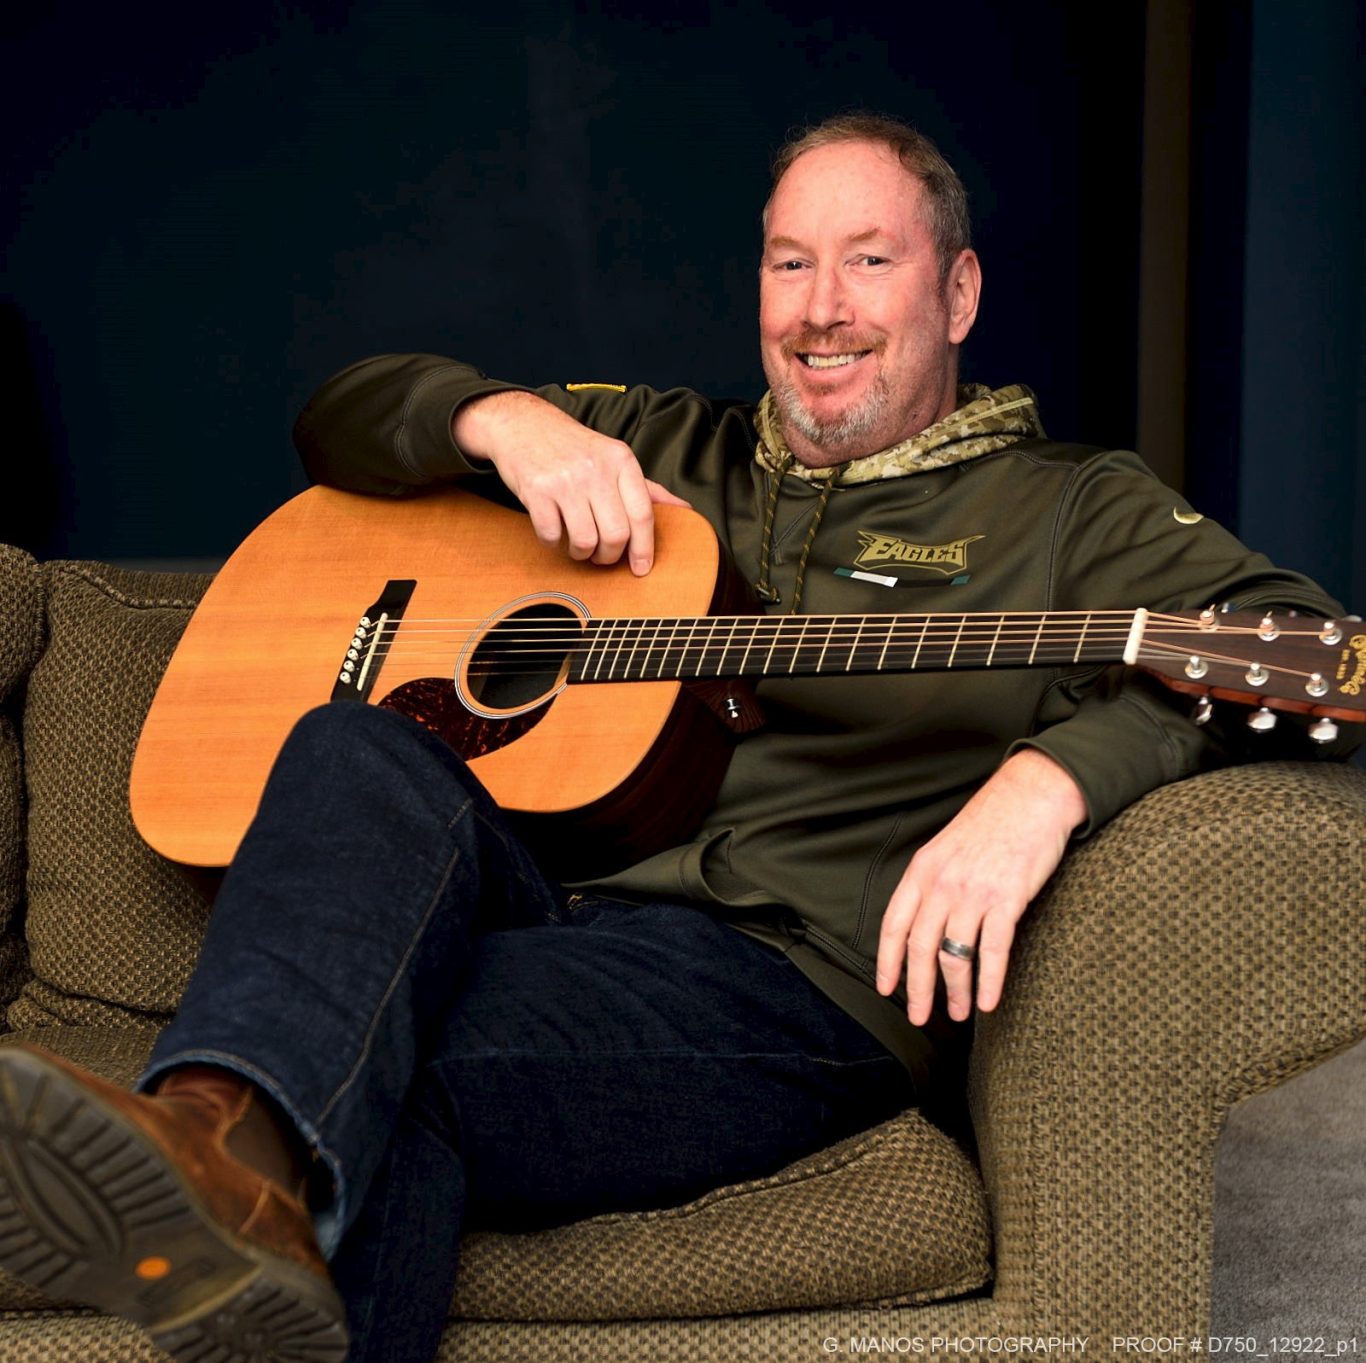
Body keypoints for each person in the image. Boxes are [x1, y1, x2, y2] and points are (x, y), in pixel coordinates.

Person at [0, 113, 1355, 1363]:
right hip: (546, 919)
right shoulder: (655, 444)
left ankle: (229, 1155)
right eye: (787, 264)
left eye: (868, 260)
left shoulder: (1067, 509)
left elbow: (1308, 645)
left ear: (956, 295)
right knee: (351, 743)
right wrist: (500, 420)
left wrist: (1050, 778)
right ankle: (204, 1147)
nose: (820, 309)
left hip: (782, 984)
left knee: (376, 1066)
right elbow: (342, 413)